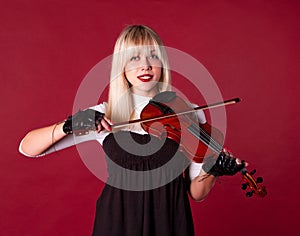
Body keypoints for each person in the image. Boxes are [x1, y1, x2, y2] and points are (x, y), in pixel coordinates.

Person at [19, 25, 245, 236]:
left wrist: (214, 171)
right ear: (122, 67)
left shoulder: (189, 113)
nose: (145, 65)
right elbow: (28, 148)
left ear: (163, 63)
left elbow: (197, 193)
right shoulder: (104, 114)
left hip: (171, 222)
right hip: (117, 222)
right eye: (134, 57)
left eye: (153, 56)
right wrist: (70, 124)